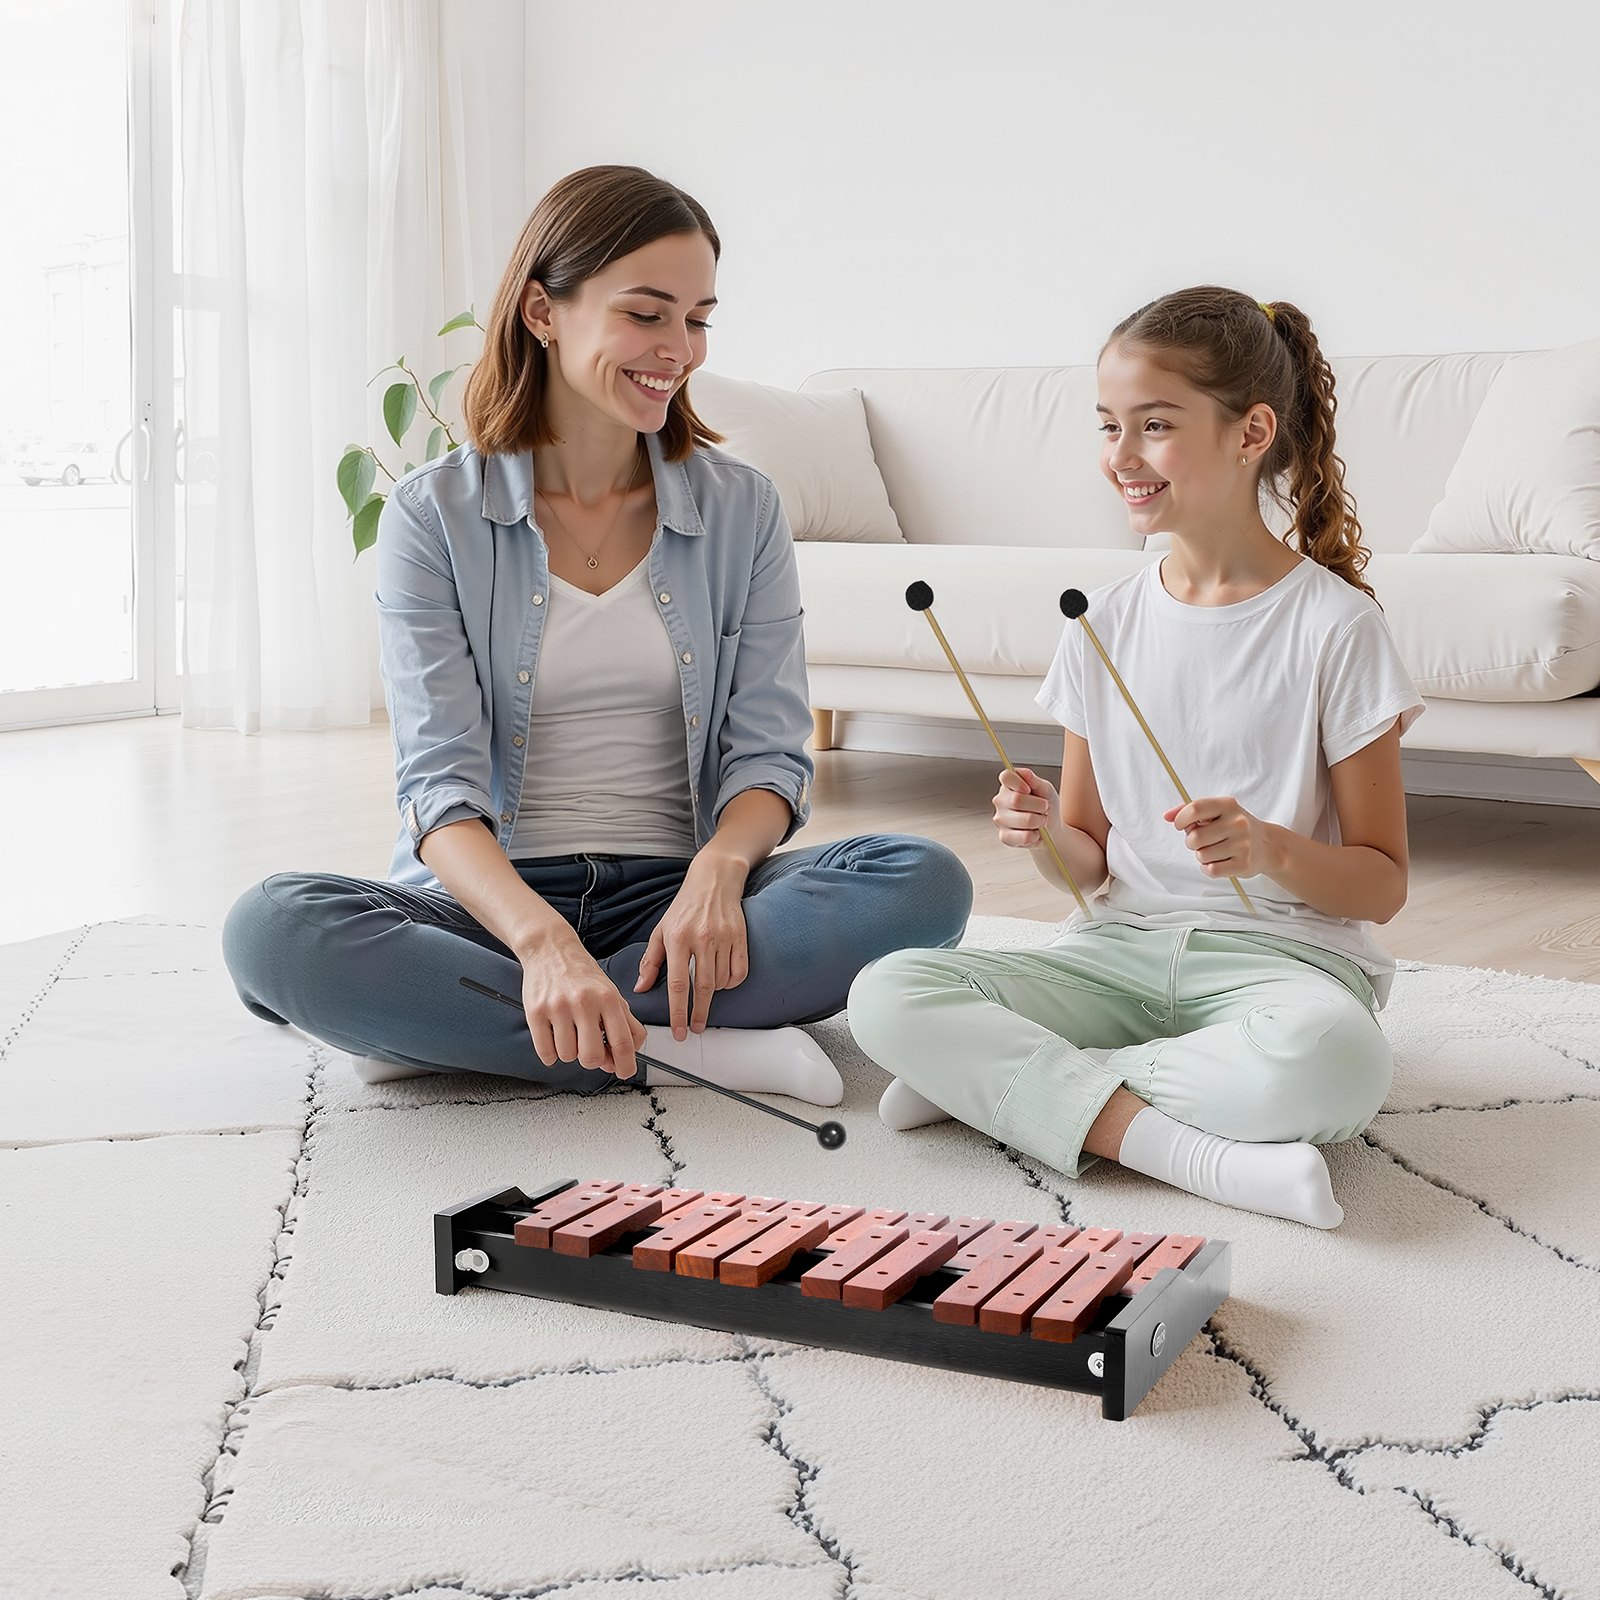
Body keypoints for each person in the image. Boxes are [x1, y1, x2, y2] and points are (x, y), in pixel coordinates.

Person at [222, 164, 971, 1104]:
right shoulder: (435, 515)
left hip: (681, 902)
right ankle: (683, 1043)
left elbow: (771, 756)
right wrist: (540, 943)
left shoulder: (743, 509)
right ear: (543, 310)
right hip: (490, 905)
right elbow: (437, 784)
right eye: (647, 314)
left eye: (697, 318)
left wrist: (717, 875)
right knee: (271, 928)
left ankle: (473, 1032)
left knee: (924, 882)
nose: (681, 349)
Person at [848, 286, 1423, 1227]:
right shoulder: (1101, 623)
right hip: (1114, 955)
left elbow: (1383, 886)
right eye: (1109, 425)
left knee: (1339, 1062)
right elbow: (1087, 861)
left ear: (1251, 433)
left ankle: (1007, 1093)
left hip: (1285, 964)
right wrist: (1039, 835)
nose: (1121, 457)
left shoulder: (1336, 628)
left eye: (1154, 426)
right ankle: (1175, 1148)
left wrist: (1271, 849)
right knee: (887, 993)